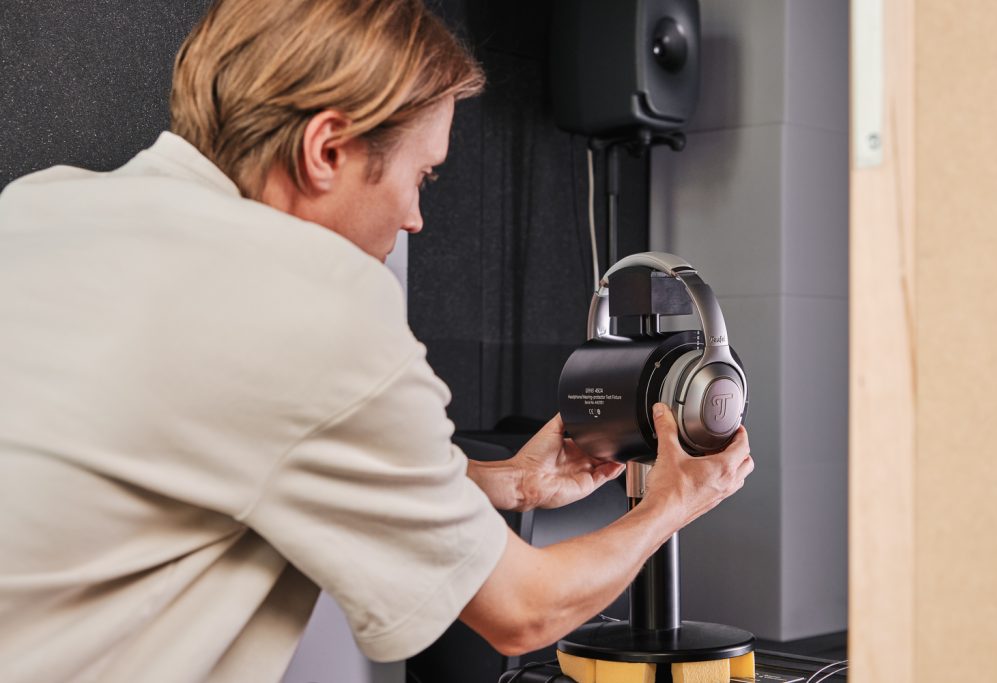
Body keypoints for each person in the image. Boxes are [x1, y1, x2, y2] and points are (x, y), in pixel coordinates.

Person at [0, 0, 754, 681]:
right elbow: (525, 610)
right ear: (326, 150)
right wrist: (675, 501)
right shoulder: (313, 301)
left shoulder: (41, 207)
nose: (415, 218)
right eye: (422, 177)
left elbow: (224, 437)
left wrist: (508, 484)